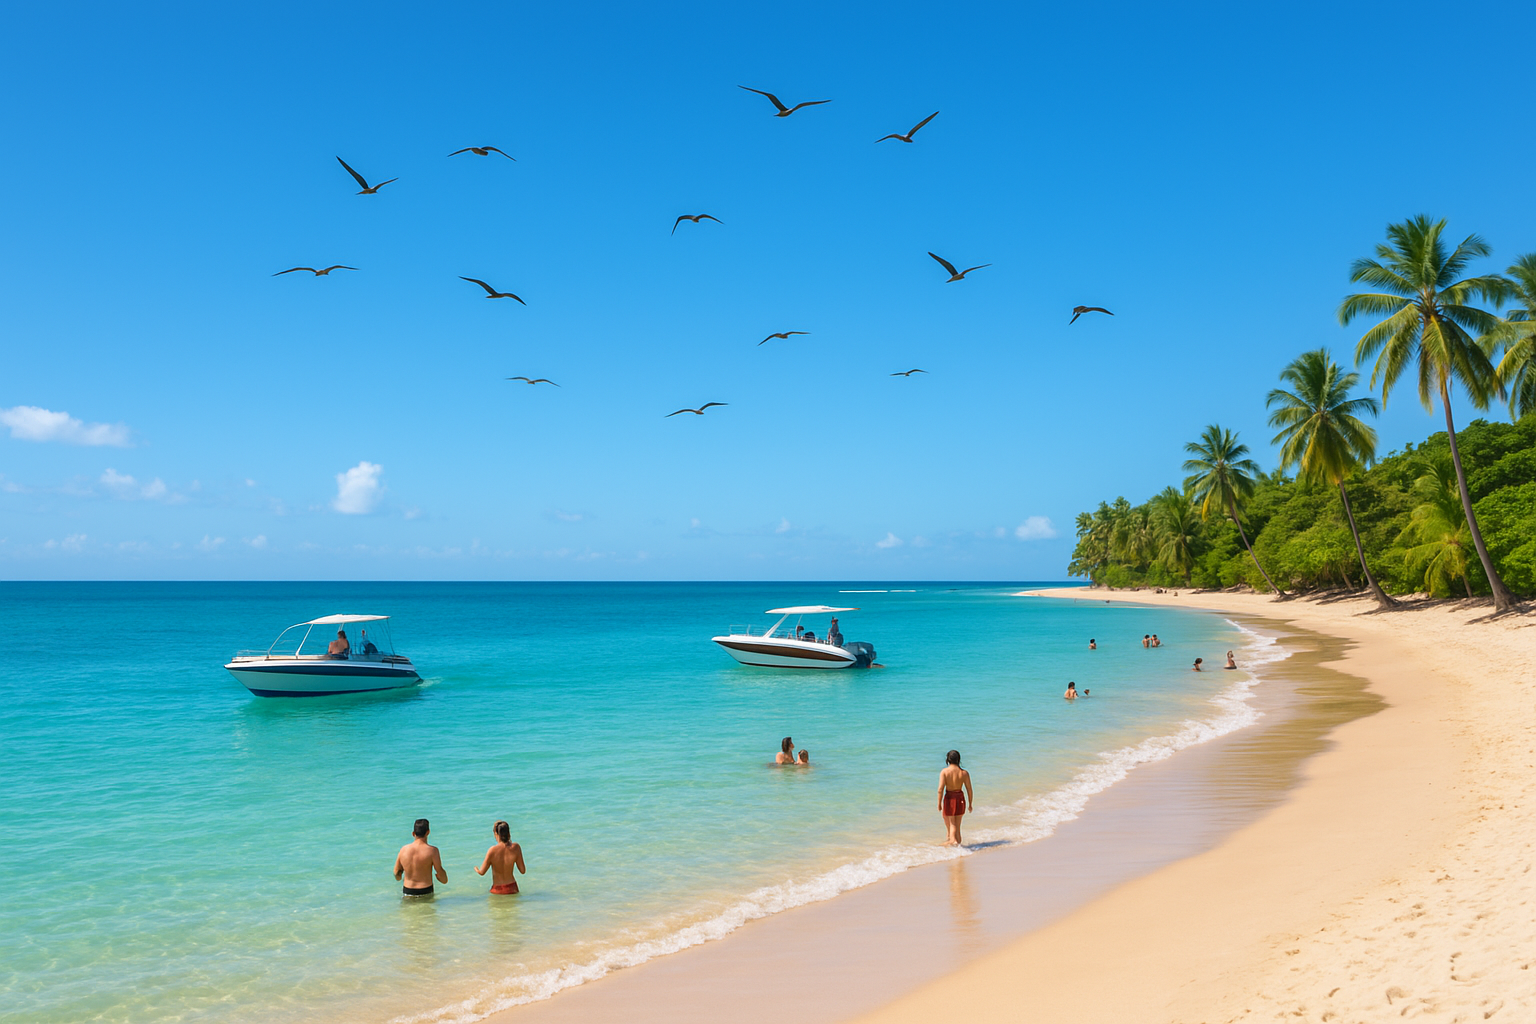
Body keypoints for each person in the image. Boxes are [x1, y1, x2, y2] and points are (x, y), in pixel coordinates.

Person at [394, 818, 447, 897]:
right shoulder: (433, 851)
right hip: (425, 890)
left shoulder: (403, 850)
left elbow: (396, 874)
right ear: (428, 832)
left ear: (413, 833)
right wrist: (442, 878)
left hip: (408, 890)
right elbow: (443, 878)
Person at [474, 820, 526, 895]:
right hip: (512, 888)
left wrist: (476, 869)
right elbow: (522, 871)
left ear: (496, 833)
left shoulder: (492, 850)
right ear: (508, 833)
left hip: (497, 889)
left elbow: (482, 872)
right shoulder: (516, 847)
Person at [938, 750, 973, 847]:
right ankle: (958, 848)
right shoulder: (964, 773)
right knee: (957, 826)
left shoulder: (944, 772)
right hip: (960, 798)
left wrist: (939, 803)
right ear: (958, 759)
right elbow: (969, 789)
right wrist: (970, 804)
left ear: (948, 760)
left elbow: (940, 789)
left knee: (952, 824)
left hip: (950, 798)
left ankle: (950, 842)